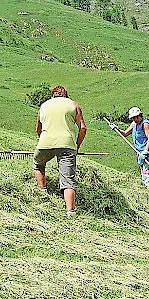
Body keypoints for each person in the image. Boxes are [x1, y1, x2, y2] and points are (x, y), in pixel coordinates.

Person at [33, 85, 87, 217]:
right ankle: (70, 211)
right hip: (67, 144)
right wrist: (77, 146)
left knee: (38, 165)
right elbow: (83, 128)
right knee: (67, 179)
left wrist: (45, 140)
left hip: (45, 142)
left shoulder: (44, 105)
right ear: (66, 95)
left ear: (53, 95)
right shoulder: (73, 105)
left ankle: (43, 192)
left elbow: (38, 129)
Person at [118, 107, 149, 187]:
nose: (135, 119)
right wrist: (117, 129)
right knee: (144, 173)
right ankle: (147, 189)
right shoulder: (134, 124)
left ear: (140, 115)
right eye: (133, 118)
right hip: (140, 153)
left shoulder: (145, 124)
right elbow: (125, 133)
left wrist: (145, 152)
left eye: (136, 117)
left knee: (148, 174)